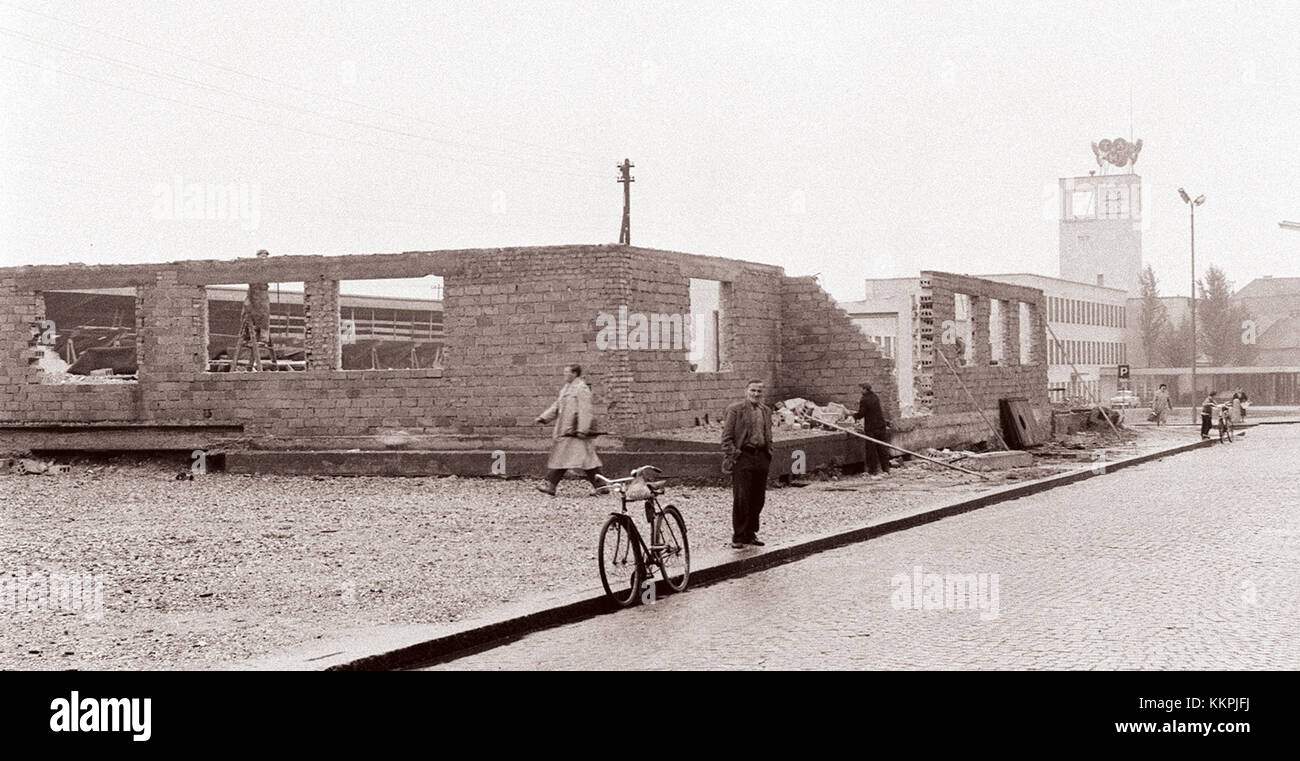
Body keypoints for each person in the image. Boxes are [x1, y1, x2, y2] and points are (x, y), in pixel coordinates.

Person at [535, 364, 604, 496]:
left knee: (565, 458)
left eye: (567, 372)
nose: (565, 375)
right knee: (587, 460)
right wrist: (544, 418)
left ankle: (551, 486)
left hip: (575, 432)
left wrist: (582, 429)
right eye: (565, 372)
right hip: (566, 430)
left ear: (575, 373)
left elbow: (585, 410)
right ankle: (601, 486)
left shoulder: (581, 388)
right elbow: (557, 406)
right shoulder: (566, 388)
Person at [721, 379, 772, 549]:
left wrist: (769, 451)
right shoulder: (735, 409)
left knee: (758, 498)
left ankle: (751, 533)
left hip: (761, 456)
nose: (756, 394)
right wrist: (735, 454)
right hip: (743, 457)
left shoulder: (766, 411)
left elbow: (768, 433)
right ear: (746, 391)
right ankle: (739, 535)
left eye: (759, 391)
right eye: (753, 390)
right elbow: (726, 438)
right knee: (742, 498)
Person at [852, 381, 892, 476]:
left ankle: (873, 470)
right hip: (881, 425)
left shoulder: (864, 399)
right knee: (882, 448)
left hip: (871, 427)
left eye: (861, 388)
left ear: (865, 389)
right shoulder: (875, 397)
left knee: (871, 449)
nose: (860, 390)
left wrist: (853, 416)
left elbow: (862, 414)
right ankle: (886, 469)